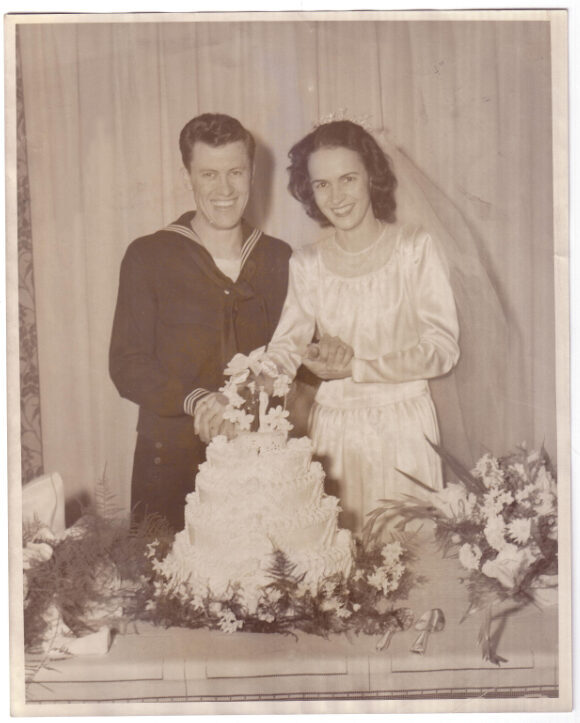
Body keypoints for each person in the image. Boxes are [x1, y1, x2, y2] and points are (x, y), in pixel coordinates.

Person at [259, 120, 460, 533]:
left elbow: (443, 348)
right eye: (322, 184)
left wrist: (358, 367)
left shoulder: (413, 249)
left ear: (371, 175)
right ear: (309, 191)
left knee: (412, 566)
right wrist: (261, 377)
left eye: (347, 179)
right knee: (340, 570)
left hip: (405, 428)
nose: (337, 196)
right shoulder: (307, 263)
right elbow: (287, 345)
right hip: (334, 433)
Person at [109, 113, 291, 531]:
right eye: (209, 174)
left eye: (235, 172)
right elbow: (127, 364)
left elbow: (294, 360)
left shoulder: (279, 258)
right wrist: (198, 401)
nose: (224, 189)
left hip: (259, 460)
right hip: (169, 464)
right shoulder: (148, 256)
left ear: (251, 173)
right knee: (167, 593)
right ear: (187, 175)